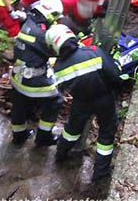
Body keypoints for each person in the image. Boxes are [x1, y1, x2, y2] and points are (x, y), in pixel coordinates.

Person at [45, 24, 123, 182]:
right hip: (104, 99)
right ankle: (100, 173)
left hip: (81, 102)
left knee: (71, 130)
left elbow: (59, 88)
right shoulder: (94, 52)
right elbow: (115, 75)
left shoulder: (59, 68)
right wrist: (114, 92)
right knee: (106, 134)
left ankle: (61, 155)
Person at [10, 0, 64, 146]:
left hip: (16, 77)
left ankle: (18, 136)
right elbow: (58, 52)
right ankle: (43, 138)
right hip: (31, 81)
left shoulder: (29, 22)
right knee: (56, 100)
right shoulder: (42, 35)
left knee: (19, 104)